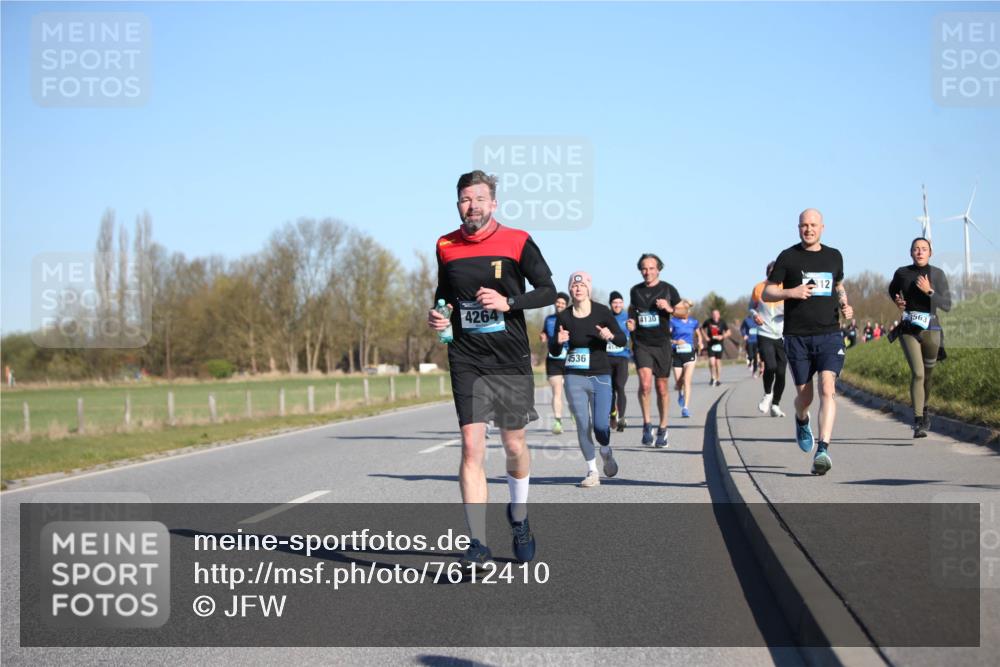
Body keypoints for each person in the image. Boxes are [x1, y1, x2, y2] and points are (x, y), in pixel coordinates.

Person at [427, 170, 556, 568]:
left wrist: (508, 303)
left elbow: (548, 291)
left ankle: (518, 516)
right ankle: (477, 543)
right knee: (471, 446)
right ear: (458, 204)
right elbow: (443, 295)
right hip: (466, 356)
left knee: (514, 445)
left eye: (479, 199)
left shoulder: (517, 240)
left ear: (494, 203)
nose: (473, 206)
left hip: (509, 357)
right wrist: (440, 316)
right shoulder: (445, 244)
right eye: (466, 200)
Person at [763, 208, 853, 476]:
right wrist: (792, 291)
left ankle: (823, 449)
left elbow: (838, 285)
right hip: (797, 337)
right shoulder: (788, 257)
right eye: (804, 225)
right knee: (805, 397)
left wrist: (845, 303)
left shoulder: (834, 256)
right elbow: (768, 292)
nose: (809, 229)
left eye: (813, 225)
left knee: (828, 388)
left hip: (829, 334)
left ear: (822, 227)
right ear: (798, 227)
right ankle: (802, 420)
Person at [552, 271, 627, 487]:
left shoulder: (602, 312)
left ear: (589, 289)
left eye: (582, 285)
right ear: (570, 290)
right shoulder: (564, 316)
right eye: (574, 286)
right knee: (583, 424)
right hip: (574, 374)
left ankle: (605, 450)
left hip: (601, 375)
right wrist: (558, 342)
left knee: (601, 426)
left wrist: (610, 335)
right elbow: (555, 350)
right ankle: (592, 471)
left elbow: (621, 340)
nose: (578, 289)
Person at [887, 237, 952, 438]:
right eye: (916, 249)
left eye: (924, 249)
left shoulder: (938, 274)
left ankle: (924, 411)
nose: (920, 252)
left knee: (928, 376)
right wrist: (897, 300)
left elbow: (947, 305)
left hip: (932, 329)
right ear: (911, 252)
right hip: (909, 329)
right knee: (918, 373)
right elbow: (892, 289)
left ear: (930, 252)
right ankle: (917, 422)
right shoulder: (902, 273)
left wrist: (929, 290)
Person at [627, 253, 681, 447]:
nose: (647, 272)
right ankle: (647, 424)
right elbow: (632, 310)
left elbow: (684, 311)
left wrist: (669, 308)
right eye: (643, 268)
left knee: (662, 388)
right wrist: (631, 323)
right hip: (642, 343)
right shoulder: (635, 291)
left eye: (651, 268)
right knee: (645, 384)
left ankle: (663, 427)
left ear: (658, 269)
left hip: (662, 344)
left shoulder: (668, 289)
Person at [749, 261, 787, 418]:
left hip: (781, 334)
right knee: (770, 366)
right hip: (764, 332)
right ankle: (767, 395)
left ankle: (776, 405)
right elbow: (751, 306)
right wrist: (755, 315)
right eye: (772, 271)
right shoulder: (759, 288)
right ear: (768, 273)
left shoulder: (786, 288)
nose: (775, 273)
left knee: (781, 372)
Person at [540, 293, 570, 434]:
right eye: (558, 302)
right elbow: (545, 332)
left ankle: (574, 410)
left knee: (572, 391)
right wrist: (543, 335)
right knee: (557, 390)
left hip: (569, 359)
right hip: (553, 359)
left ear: (567, 305)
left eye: (563, 303)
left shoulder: (572, 319)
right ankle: (558, 421)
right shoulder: (549, 319)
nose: (560, 305)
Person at [669, 300, 700, 418]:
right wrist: (676, 341)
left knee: (687, 381)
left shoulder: (693, 322)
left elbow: (698, 333)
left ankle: (685, 408)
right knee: (679, 382)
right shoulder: (672, 322)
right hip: (676, 354)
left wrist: (700, 341)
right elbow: (666, 337)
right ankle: (680, 393)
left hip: (689, 354)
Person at [606, 290, 631, 432]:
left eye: (620, 302)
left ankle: (622, 418)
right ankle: (613, 414)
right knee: (609, 390)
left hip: (622, 357)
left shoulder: (627, 317)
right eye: (615, 302)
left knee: (620, 386)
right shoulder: (605, 317)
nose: (617, 305)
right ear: (610, 304)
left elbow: (634, 332)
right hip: (607, 357)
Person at [700, 310, 731, 386]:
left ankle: (718, 379)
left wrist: (722, 336)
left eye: (716, 314)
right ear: (712, 315)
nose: (715, 315)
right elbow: (701, 329)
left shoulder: (722, 322)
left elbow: (729, 332)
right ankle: (712, 377)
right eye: (713, 314)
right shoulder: (708, 321)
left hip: (719, 344)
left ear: (719, 315)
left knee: (717, 362)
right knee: (712, 362)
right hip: (710, 343)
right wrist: (705, 337)